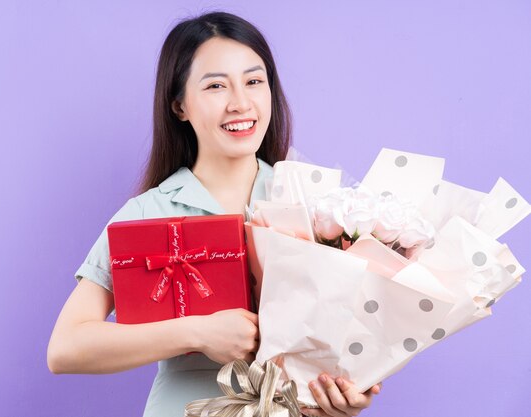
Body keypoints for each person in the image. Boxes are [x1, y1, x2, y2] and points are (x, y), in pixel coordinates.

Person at [47, 11, 381, 417]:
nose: (240, 102)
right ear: (179, 105)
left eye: (254, 82)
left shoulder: (318, 202)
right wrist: (198, 332)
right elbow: (65, 348)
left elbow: (344, 341)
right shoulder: (148, 212)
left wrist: (342, 395)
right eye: (216, 86)